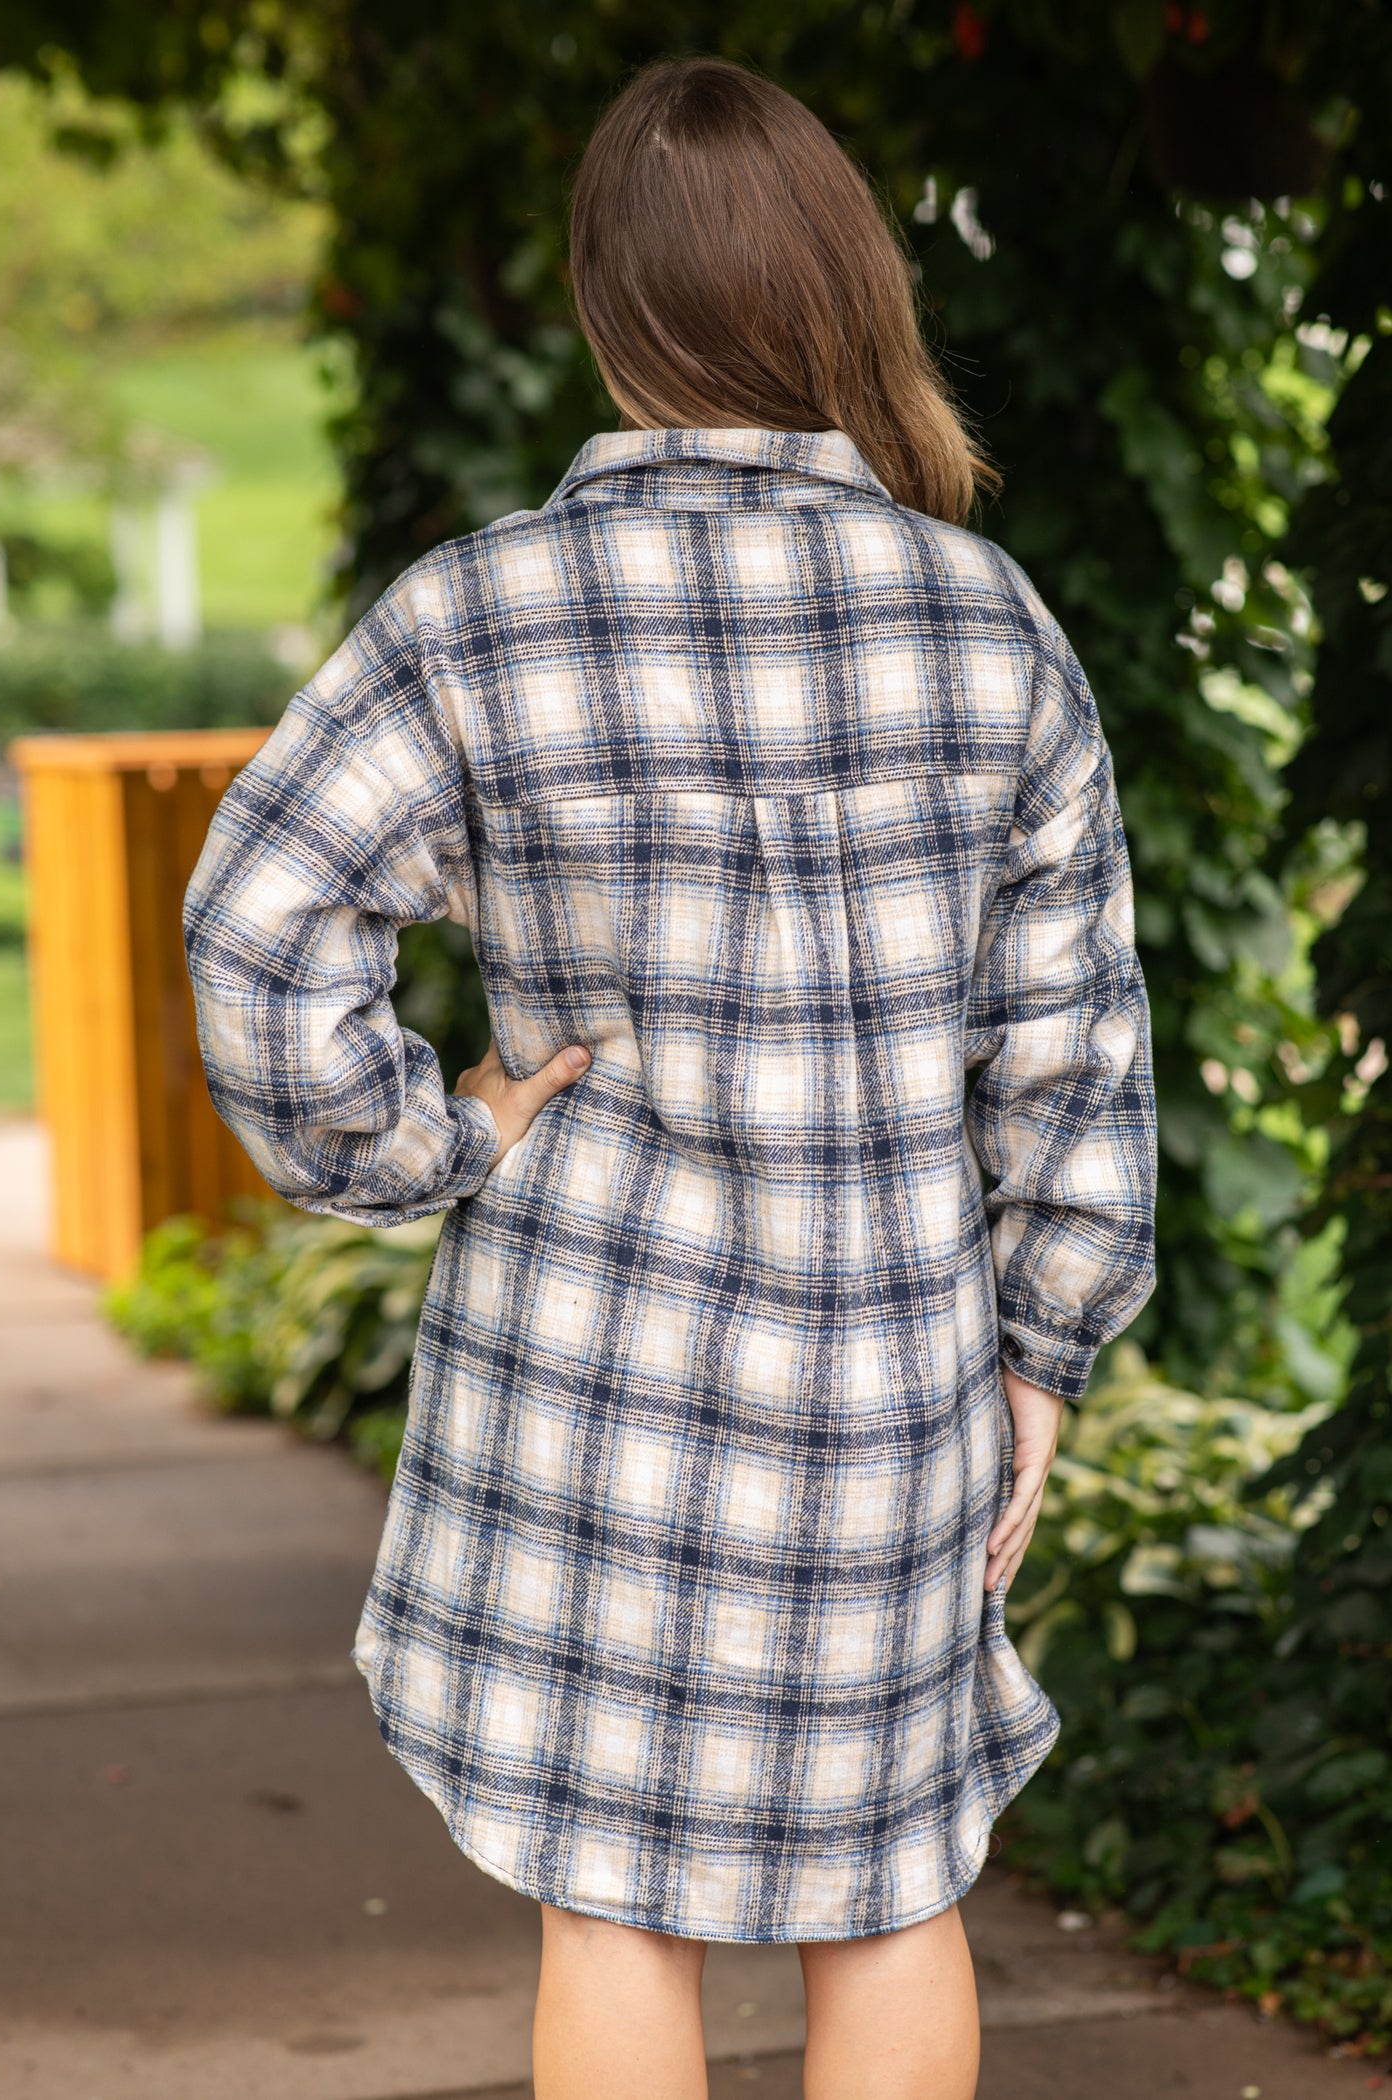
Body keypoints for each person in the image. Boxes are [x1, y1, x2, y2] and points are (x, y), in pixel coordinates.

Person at [183, 53, 1158, 2100]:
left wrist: (425, 1138)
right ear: (839, 292)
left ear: (611, 307)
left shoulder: (485, 618)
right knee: (890, 1887)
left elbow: (257, 930)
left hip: (590, 1370)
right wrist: (1042, 1359)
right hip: (883, 1379)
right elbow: (1075, 1050)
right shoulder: (989, 633)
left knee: (605, 1894)